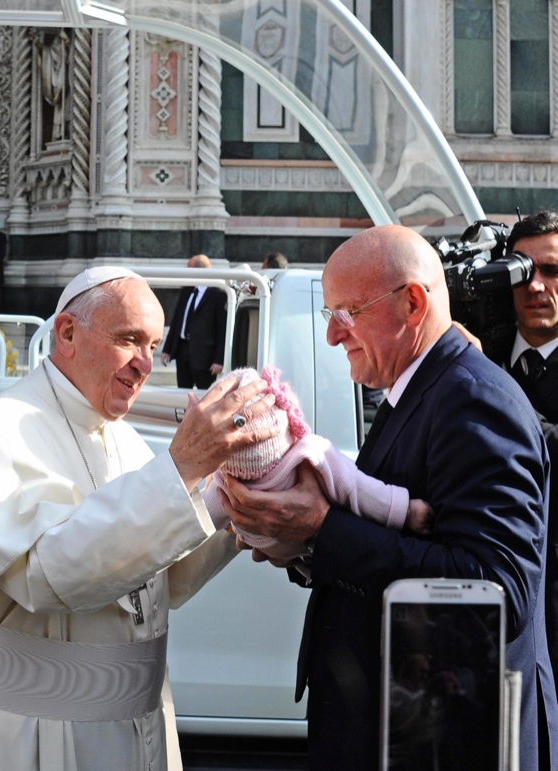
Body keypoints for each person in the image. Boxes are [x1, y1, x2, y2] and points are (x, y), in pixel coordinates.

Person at [221, 224, 558, 770]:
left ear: (413, 303)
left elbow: (497, 592)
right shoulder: (417, 386)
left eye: (346, 313)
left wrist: (322, 530)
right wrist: (298, 543)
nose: (332, 335)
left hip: (444, 742)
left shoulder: (473, 400)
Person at [0, 267, 280, 771]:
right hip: (30, 734)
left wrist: (233, 504)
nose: (145, 365)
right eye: (129, 340)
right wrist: (181, 470)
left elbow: (158, 586)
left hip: (136, 724)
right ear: (67, 333)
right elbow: (47, 576)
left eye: (154, 346)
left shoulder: (124, 438)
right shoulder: (2, 431)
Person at [199, 366, 431, 573]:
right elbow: (360, 489)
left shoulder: (224, 481)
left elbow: (197, 521)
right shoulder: (309, 453)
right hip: (294, 551)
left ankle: (302, 563)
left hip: (284, 550)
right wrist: (405, 511)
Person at [496, 209, 558, 687]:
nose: (535, 286)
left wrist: (485, 391)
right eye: (522, 269)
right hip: (487, 607)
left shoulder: (478, 373)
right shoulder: (481, 355)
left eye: (552, 272)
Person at [160, 254, 226, 388]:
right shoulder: (187, 290)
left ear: (197, 270)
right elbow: (177, 321)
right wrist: (167, 349)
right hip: (183, 352)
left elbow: (222, 329)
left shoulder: (218, 294)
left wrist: (219, 360)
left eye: (188, 268)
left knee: (204, 395)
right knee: (183, 392)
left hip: (205, 357)